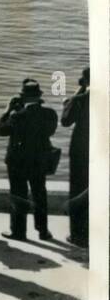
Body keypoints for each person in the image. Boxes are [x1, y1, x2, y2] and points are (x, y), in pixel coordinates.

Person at [0, 78, 58, 242]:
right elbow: (50, 132)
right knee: (40, 194)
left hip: (18, 162)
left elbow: (1, 130)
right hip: (39, 160)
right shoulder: (50, 114)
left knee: (18, 194)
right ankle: (43, 231)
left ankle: (18, 231)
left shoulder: (17, 116)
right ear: (39, 96)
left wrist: (7, 110)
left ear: (23, 97)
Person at [61, 68, 89, 248]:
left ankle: (78, 235)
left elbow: (65, 120)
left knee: (78, 190)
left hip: (80, 152)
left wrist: (71, 99)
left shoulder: (80, 100)